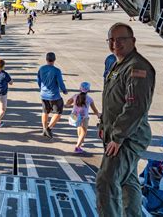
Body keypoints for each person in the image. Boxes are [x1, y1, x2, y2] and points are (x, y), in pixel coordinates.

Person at [96, 23, 155, 217]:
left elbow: (135, 107)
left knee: (106, 180)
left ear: (133, 41)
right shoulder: (118, 64)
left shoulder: (137, 67)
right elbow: (112, 99)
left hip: (128, 137)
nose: (115, 43)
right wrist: (103, 125)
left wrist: (118, 137)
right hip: (117, 134)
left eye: (121, 39)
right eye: (111, 40)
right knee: (128, 181)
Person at [37, 52, 68, 139]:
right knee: (58, 112)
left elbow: (38, 80)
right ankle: (49, 128)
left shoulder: (41, 68)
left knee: (45, 111)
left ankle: (44, 128)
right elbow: (60, 82)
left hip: (43, 94)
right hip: (54, 95)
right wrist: (64, 90)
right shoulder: (56, 70)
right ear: (54, 60)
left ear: (46, 59)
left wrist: (41, 88)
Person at [64, 82, 100, 153]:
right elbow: (95, 110)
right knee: (84, 132)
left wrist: (72, 105)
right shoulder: (89, 99)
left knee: (79, 128)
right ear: (88, 90)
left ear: (80, 89)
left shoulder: (75, 96)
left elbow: (67, 103)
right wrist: (98, 115)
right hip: (84, 117)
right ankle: (77, 147)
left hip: (74, 116)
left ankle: (80, 141)